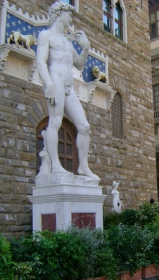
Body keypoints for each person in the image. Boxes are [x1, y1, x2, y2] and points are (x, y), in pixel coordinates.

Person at [37, 2, 99, 179]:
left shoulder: (67, 42)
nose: (71, 19)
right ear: (59, 14)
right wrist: (48, 84)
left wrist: (85, 47)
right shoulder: (46, 35)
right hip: (54, 81)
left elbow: (78, 64)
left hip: (68, 86)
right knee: (55, 122)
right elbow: (41, 61)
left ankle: (83, 167)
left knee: (84, 126)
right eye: (69, 15)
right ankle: (56, 165)